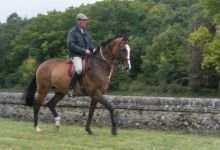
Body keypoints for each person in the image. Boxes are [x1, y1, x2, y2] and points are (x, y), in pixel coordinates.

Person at [66, 13, 94, 97]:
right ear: (78, 21)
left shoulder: (85, 32)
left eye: (86, 21)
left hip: (85, 56)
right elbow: (70, 45)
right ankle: (70, 89)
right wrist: (84, 50)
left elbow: (90, 44)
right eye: (84, 20)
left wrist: (94, 49)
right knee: (79, 69)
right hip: (75, 55)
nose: (85, 22)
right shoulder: (72, 32)